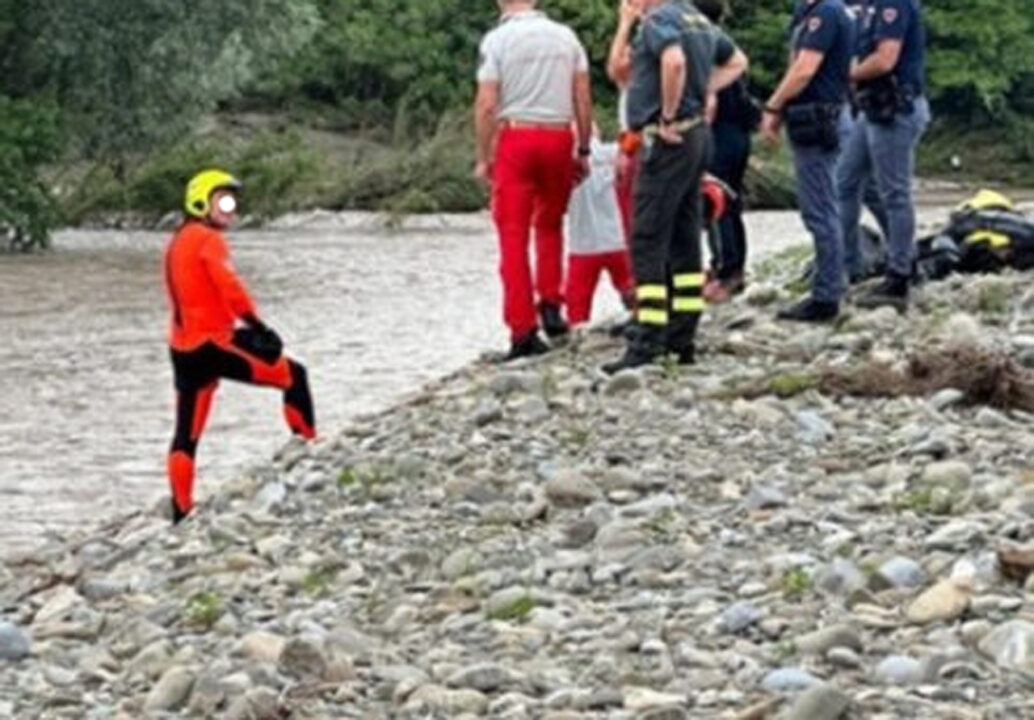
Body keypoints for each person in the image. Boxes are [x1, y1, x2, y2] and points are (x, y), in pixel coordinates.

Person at [603, 0, 748, 374]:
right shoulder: (697, 19)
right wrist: (699, 91)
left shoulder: (660, 22)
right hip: (698, 135)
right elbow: (737, 62)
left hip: (666, 138)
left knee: (647, 237)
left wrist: (668, 113)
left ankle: (647, 337)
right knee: (685, 237)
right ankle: (682, 337)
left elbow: (674, 62)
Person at [164, 169, 316, 524]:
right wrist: (257, 324)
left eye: (232, 202)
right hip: (214, 343)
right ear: (202, 201)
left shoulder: (178, 240)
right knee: (294, 376)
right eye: (224, 201)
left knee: (186, 433)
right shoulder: (207, 240)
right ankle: (309, 455)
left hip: (183, 349)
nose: (231, 210)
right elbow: (229, 287)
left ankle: (181, 511)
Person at [474, 0, 594, 360]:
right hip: (558, 136)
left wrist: (484, 156)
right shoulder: (566, 37)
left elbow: (486, 105)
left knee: (512, 235)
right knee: (550, 225)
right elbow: (582, 98)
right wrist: (584, 148)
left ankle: (522, 329)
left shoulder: (496, 41)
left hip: (517, 136)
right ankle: (552, 306)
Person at [762, 0, 855, 323]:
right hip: (822, 115)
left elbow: (803, 70)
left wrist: (773, 106)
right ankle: (832, 282)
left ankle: (826, 295)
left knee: (820, 209)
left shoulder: (825, 13)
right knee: (824, 205)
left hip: (820, 118)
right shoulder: (815, 13)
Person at [847, 0, 930, 311]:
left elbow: (884, 60)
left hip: (894, 109)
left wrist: (846, 74)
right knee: (847, 180)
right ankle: (863, 262)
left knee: (895, 192)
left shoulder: (892, 4)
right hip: (874, 108)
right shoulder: (873, 8)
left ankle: (900, 276)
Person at [695, 0, 759, 304]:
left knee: (718, 203)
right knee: (728, 203)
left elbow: (711, 100)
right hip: (737, 133)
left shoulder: (706, 44)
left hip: (721, 133)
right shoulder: (725, 44)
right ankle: (725, 267)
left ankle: (728, 272)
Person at [565, 132, 634, 326]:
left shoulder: (563, 160)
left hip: (583, 246)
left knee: (576, 304)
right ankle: (640, 320)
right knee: (632, 289)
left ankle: (577, 336)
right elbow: (633, 137)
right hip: (617, 239)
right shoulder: (613, 152)